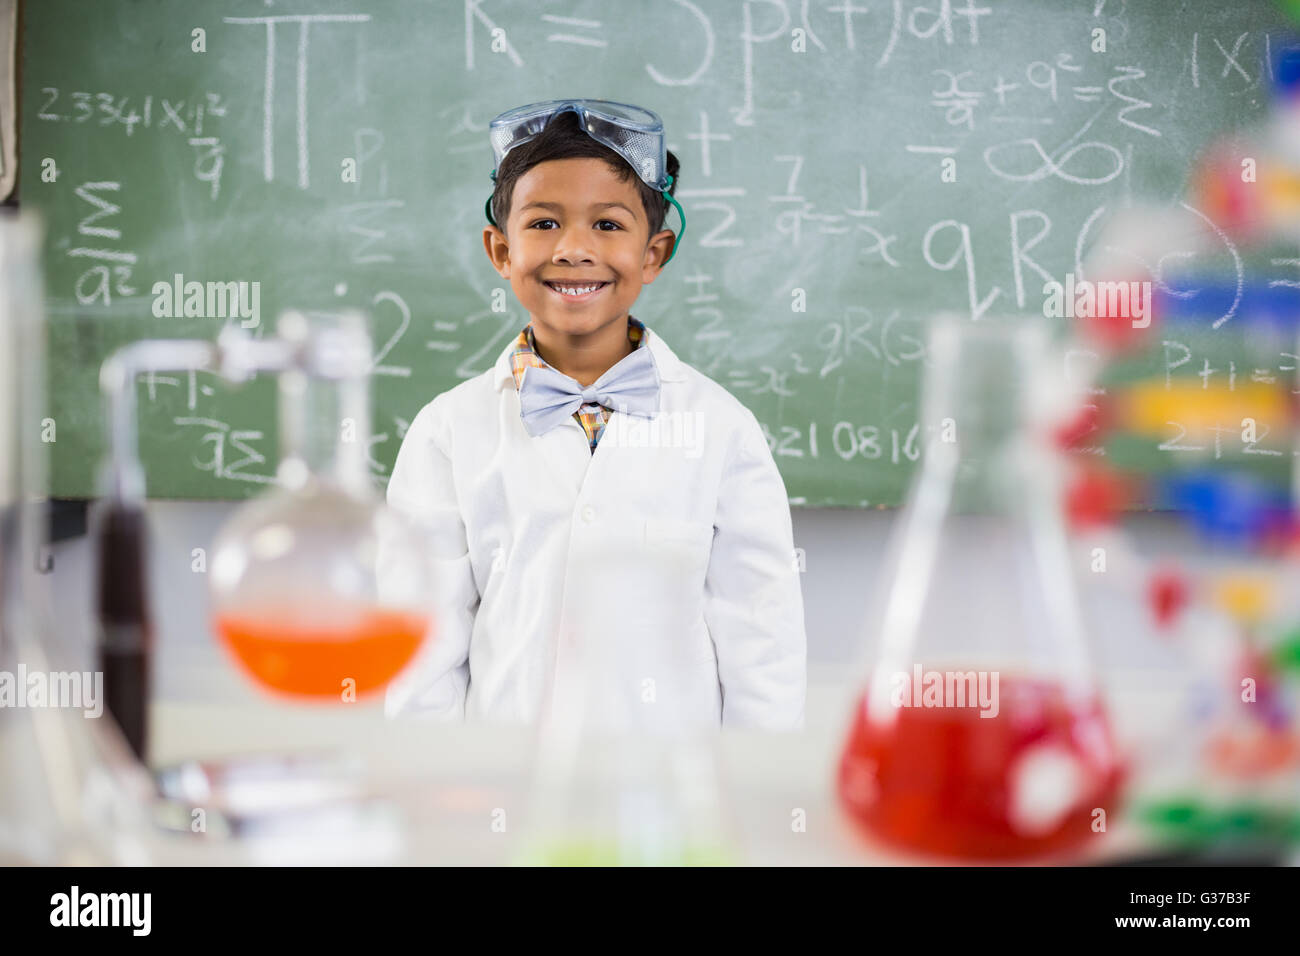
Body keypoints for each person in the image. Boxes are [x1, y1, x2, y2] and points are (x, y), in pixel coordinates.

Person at [384, 100, 805, 730]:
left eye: (608, 226)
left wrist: (751, 793)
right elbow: (420, 645)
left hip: (671, 800)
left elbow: (761, 639)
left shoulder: (722, 428)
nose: (575, 250)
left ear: (654, 253)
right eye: (544, 223)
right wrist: (444, 789)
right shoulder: (446, 432)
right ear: (501, 251)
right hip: (505, 789)